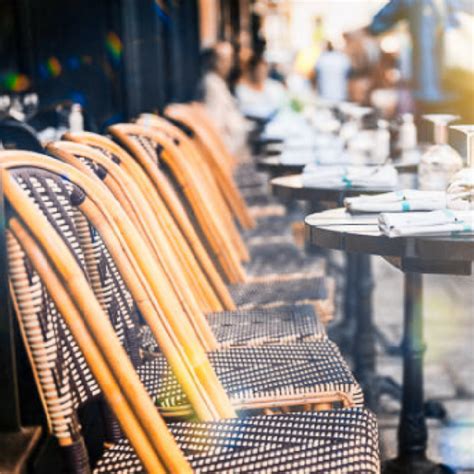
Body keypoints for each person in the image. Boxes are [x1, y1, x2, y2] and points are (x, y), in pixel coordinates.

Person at [198, 42, 249, 158]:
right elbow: (214, 124)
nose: (227, 63)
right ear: (212, 60)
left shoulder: (217, 82)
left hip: (235, 151)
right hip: (228, 154)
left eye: (229, 59)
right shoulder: (211, 84)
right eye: (221, 59)